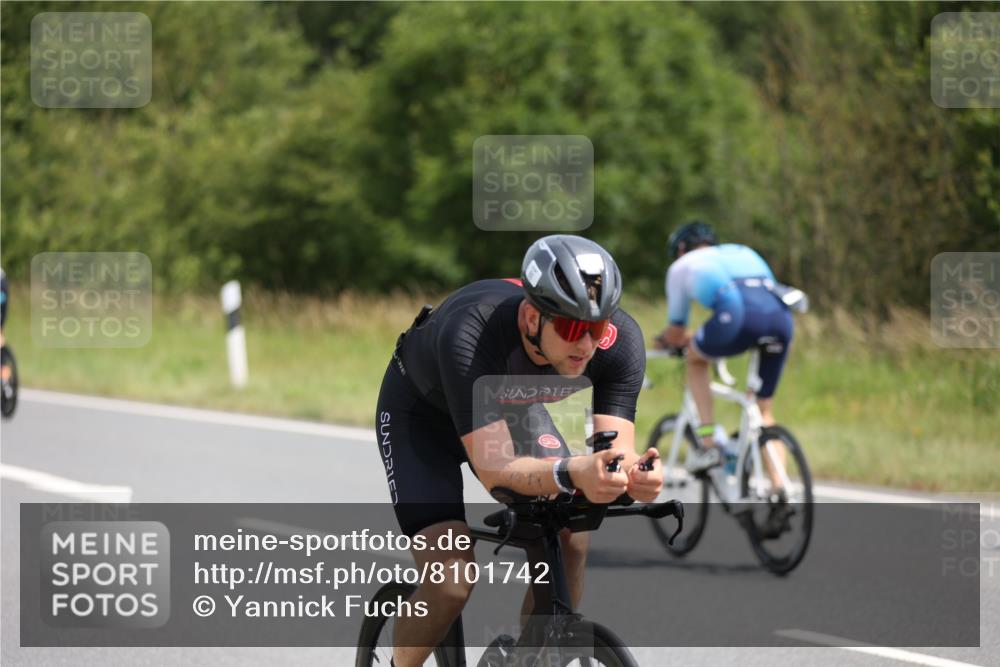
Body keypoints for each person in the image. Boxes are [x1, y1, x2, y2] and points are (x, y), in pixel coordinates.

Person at [376, 235, 662, 667]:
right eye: (570, 328)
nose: (586, 344)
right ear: (532, 317)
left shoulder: (618, 344)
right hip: (422, 417)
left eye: (597, 327)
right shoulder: (472, 330)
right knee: (452, 579)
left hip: (507, 406)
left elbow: (615, 451)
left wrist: (636, 477)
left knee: (573, 539)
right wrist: (572, 471)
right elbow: (497, 469)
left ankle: (534, 658)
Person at [652, 221, 794, 484]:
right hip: (781, 319)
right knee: (764, 411)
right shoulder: (742, 251)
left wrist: (661, 342)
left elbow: (675, 331)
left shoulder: (681, 266)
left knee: (695, 360)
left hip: (738, 316)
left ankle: (708, 445)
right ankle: (780, 488)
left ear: (681, 249)